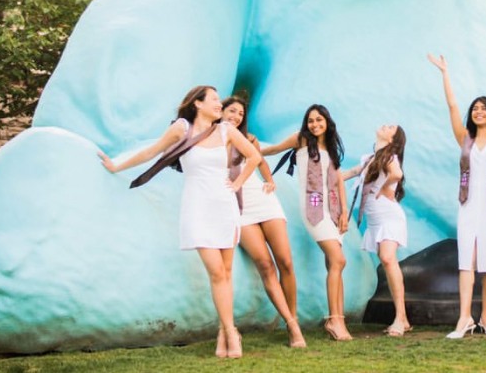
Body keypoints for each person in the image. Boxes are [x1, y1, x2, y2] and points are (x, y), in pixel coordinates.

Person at [99, 85, 260, 359]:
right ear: (197, 103)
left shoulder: (225, 131)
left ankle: (224, 332)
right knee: (217, 272)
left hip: (224, 205)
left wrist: (236, 183)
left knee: (227, 272)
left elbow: (254, 157)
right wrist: (116, 165)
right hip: (197, 207)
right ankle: (232, 331)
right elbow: (151, 153)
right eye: (213, 100)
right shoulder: (182, 129)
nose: (219, 105)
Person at [427, 50, 486, 339]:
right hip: (468, 206)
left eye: (483, 108)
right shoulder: (464, 138)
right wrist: (444, 73)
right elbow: (452, 105)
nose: (478, 111)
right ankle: (464, 318)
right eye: (475, 108)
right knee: (466, 260)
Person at [220, 96, 306, 348]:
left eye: (240, 114)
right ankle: (291, 325)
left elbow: (260, 161)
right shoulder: (212, 140)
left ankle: (294, 319)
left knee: (286, 261)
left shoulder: (248, 139)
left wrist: (269, 180)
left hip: (263, 200)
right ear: (221, 112)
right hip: (238, 207)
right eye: (231, 111)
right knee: (265, 266)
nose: (235, 117)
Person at [261, 104, 352, 341]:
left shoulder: (331, 146)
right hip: (313, 208)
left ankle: (338, 318)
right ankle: (334, 319)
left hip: (333, 209)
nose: (314, 125)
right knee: (338, 259)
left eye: (319, 120)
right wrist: (250, 148)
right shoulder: (301, 140)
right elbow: (272, 150)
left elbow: (338, 181)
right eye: (311, 120)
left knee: (335, 264)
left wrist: (343, 212)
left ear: (327, 122)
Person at [341, 124, 410, 337]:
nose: (384, 125)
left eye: (390, 127)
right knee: (386, 260)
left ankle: (400, 317)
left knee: (388, 259)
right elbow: (348, 174)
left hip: (389, 216)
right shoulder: (370, 158)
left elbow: (396, 174)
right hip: (375, 220)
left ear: (393, 139)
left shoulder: (390, 157)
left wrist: (382, 187)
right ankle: (404, 319)